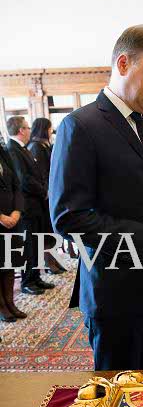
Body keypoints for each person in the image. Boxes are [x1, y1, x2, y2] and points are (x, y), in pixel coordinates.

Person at [50, 25, 143, 371]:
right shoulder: (80, 126)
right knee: (119, 396)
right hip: (114, 296)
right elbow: (68, 218)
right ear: (123, 64)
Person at [6, 116, 54, 295]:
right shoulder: (12, 149)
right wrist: (43, 191)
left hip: (36, 204)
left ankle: (36, 277)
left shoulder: (23, 148)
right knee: (28, 246)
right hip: (27, 206)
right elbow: (24, 179)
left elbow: (36, 174)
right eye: (27, 127)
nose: (29, 131)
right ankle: (27, 281)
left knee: (36, 242)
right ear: (21, 130)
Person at [28, 118, 66, 275]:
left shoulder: (44, 144)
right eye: (50, 128)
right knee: (46, 232)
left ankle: (54, 260)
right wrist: (47, 190)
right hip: (44, 195)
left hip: (50, 192)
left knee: (51, 231)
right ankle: (49, 263)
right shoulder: (36, 147)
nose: (51, 131)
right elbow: (42, 172)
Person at [0, 135, 26, 324]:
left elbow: (17, 185)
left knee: (9, 263)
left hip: (12, 219)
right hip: (1, 219)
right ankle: (2, 306)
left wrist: (17, 210)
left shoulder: (3, 153)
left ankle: (10, 302)